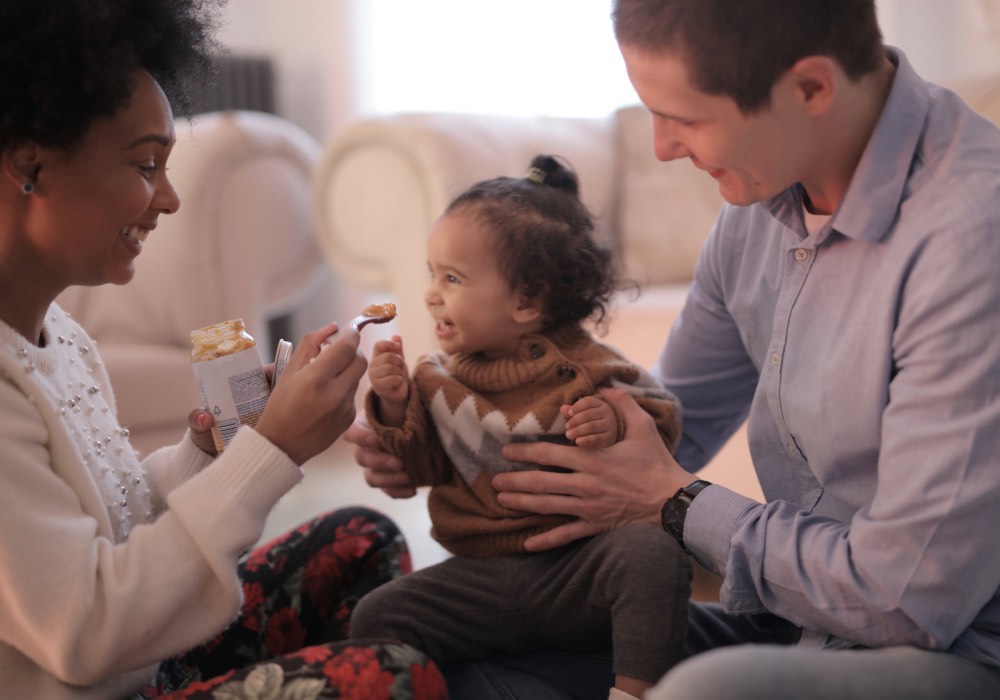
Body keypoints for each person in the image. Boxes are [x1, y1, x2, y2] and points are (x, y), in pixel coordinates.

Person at [348, 0, 1000, 698]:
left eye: (685, 118)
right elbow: (655, 427)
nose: (660, 148)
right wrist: (444, 444)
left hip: (945, 647)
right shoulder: (757, 212)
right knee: (435, 661)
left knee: (704, 690)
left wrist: (678, 502)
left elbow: (907, 598)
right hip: (794, 620)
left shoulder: (969, 240)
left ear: (810, 88)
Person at [0, 2, 447, 699]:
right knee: (392, 678)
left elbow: (114, 524)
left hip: (142, 666)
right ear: (31, 167)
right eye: (147, 165)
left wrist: (217, 449)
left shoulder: (63, 338)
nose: (169, 199)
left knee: (362, 538)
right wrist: (273, 452)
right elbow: (86, 630)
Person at [349, 154, 692, 700]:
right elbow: (417, 468)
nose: (432, 293)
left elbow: (660, 424)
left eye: (454, 278)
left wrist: (612, 424)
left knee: (652, 558)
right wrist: (391, 406)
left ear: (527, 300)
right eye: (432, 275)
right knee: (378, 614)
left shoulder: (590, 368)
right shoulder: (435, 381)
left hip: (579, 573)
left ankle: (632, 692)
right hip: (480, 579)